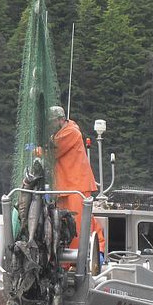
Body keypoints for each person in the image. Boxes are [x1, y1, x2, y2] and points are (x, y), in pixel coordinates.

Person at [49, 105, 104, 253]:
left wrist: (35, 150)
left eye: (51, 122)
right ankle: (68, 260)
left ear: (61, 120)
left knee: (78, 225)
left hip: (76, 186)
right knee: (66, 225)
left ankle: (96, 252)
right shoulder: (58, 134)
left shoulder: (70, 132)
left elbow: (53, 152)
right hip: (65, 187)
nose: (49, 125)